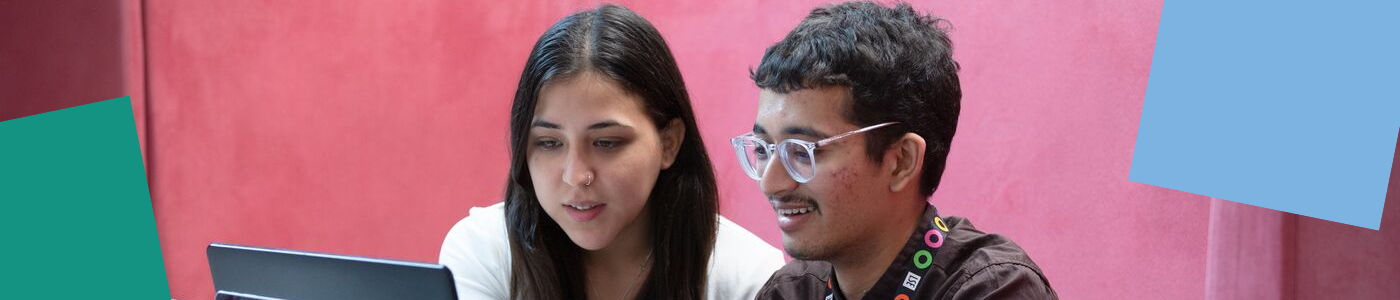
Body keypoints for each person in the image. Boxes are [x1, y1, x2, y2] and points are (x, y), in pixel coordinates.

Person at [440, 4, 783, 300]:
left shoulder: (747, 276)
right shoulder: (486, 251)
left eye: (606, 143)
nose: (576, 174)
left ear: (669, 142)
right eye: (549, 143)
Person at [734, 2, 1057, 299]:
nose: (771, 183)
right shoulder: (792, 290)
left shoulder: (990, 288)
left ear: (901, 161)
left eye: (803, 152)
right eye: (764, 149)